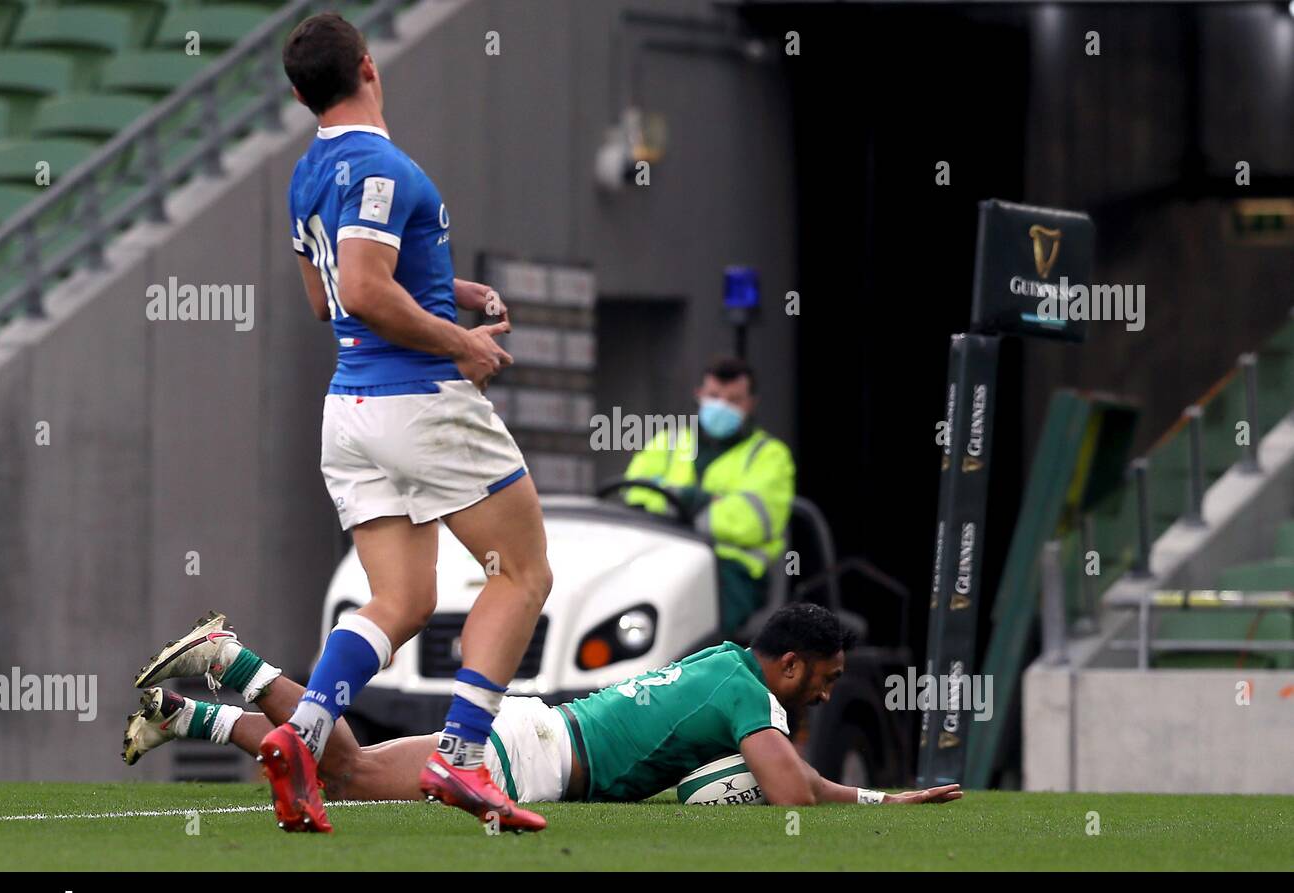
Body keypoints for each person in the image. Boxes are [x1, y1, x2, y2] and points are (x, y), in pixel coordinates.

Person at [144, 12, 554, 833]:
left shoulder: (305, 174)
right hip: (420, 401)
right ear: (369, 65)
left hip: (351, 410)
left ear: (300, 94)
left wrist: (452, 292)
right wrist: (459, 340)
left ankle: (301, 736)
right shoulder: (381, 165)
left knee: (401, 598)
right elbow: (364, 291)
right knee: (523, 574)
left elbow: (326, 295)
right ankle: (464, 757)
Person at [126, 606, 963, 809]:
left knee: (344, 766)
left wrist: (884, 797)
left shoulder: (728, 662)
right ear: (789, 662)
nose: (828, 686)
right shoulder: (754, 695)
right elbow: (791, 794)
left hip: (538, 733)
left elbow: (802, 782)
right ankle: (226, 659)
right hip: (530, 757)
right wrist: (875, 798)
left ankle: (183, 711)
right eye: (824, 674)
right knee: (341, 770)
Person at [623, 357, 794, 637]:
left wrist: (674, 500)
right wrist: (706, 501)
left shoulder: (770, 456)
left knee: (690, 637)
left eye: (734, 400)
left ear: (751, 404)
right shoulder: (669, 441)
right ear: (699, 395)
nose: (722, 406)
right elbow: (633, 494)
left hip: (729, 574)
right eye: (715, 396)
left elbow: (750, 521)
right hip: (661, 561)